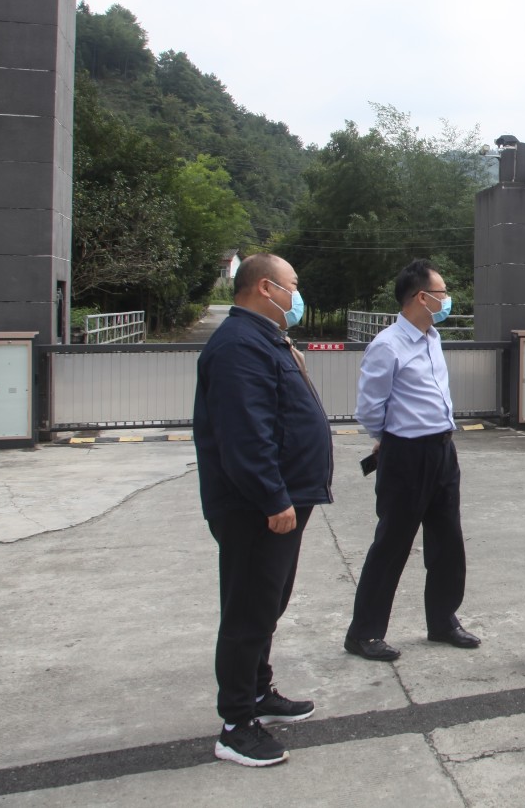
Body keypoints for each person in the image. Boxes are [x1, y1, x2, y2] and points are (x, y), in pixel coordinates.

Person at [193, 253, 334, 768]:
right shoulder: (238, 346)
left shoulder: (263, 338)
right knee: (248, 611)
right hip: (257, 507)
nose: (297, 295)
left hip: (284, 497)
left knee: (266, 603)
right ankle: (235, 725)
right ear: (266, 288)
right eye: (292, 285)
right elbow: (245, 433)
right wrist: (273, 496)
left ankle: (257, 691)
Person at [345, 259, 479, 662]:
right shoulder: (387, 345)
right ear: (422, 297)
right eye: (442, 292)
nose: (447, 299)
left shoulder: (431, 337)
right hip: (406, 455)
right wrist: (388, 440)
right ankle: (364, 633)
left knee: (447, 541)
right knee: (392, 543)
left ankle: (443, 621)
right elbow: (370, 408)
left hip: (442, 451)